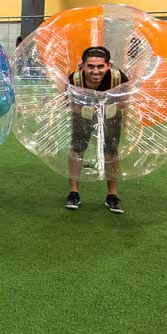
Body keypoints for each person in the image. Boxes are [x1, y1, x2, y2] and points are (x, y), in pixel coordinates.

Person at [65, 46, 129, 214]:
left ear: (108, 66)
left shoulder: (119, 77)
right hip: (83, 113)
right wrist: (88, 109)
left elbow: (125, 101)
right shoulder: (75, 79)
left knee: (111, 152)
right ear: (83, 66)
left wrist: (104, 108)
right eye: (91, 66)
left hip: (111, 113)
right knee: (77, 149)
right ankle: (73, 192)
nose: (95, 71)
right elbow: (69, 104)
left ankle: (112, 196)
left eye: (100, 66)